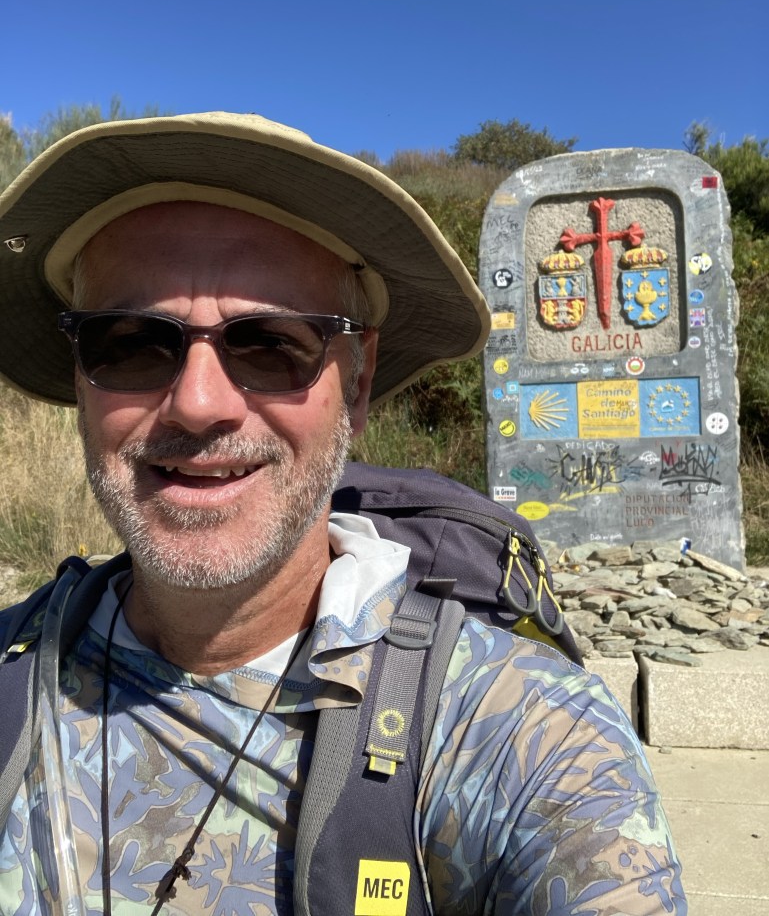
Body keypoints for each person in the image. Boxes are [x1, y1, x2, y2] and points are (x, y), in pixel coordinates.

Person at [0, 112, 686, 915]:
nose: (197, 402)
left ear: (355, 387)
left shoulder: (524, 734)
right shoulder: (16, 671)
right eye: (129, 342)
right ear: (80, 380)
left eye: (270, 344)